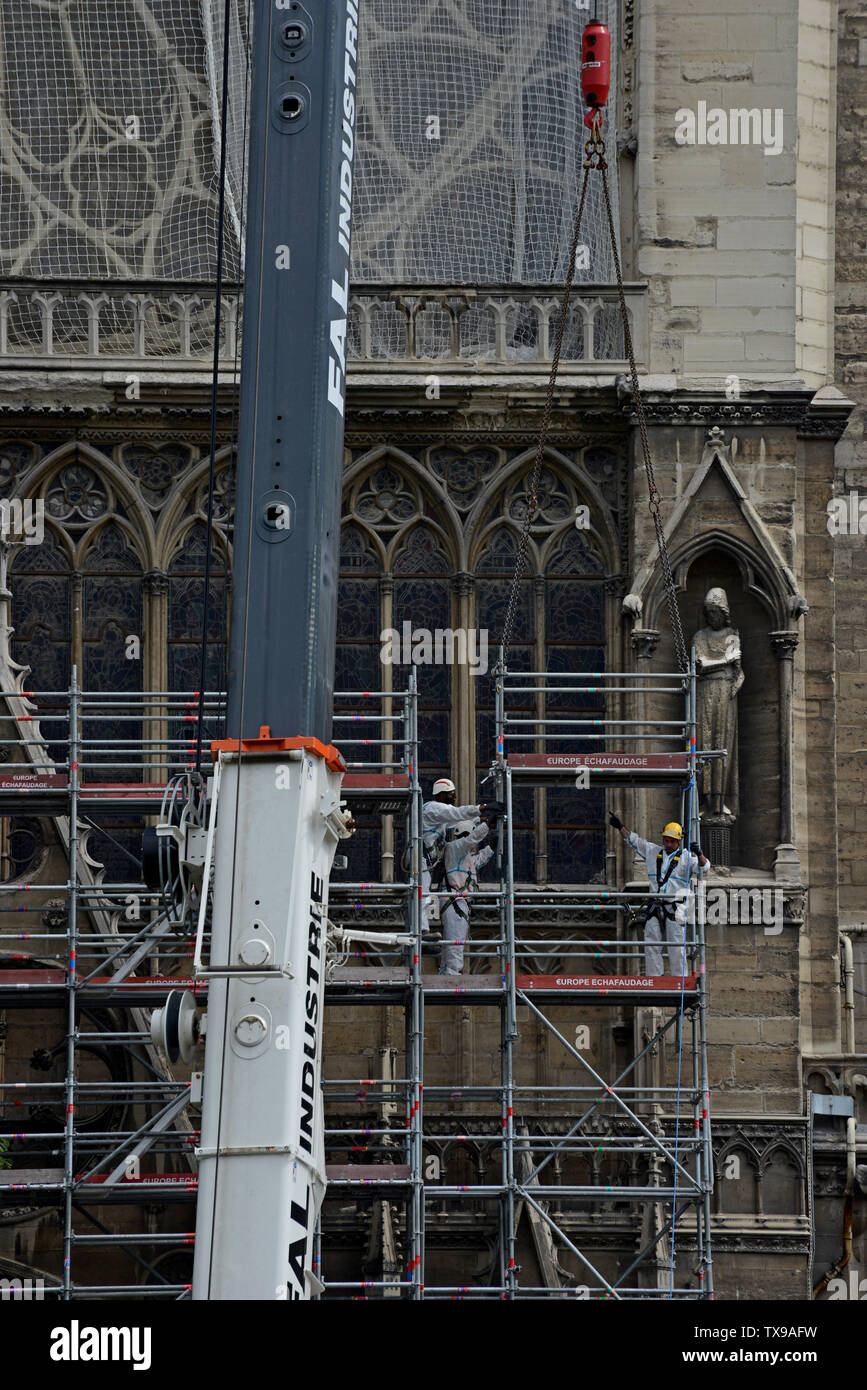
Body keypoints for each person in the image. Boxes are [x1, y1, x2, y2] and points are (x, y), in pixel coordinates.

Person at [608, 813, 710, 978]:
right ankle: (654, 978)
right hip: (656, 905)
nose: (668, 844)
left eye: (672, 841)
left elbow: (704, 868)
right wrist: (621, 827)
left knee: (676, 946)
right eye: (666, 840)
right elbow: (635, 841)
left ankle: (680, 980)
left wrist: (699, 854)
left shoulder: (686, 859)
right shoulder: (653, 852)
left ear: (678, 841)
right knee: (651, 943)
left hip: (675, 907)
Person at [420, 779, 499, 929]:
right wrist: (483, 808)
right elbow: (457, 815)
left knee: (423, 894)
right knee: (422, 894)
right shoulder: (432, 808)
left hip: (428, 862)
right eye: (452, 794)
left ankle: (422, 930)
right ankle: (420, 931)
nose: (454, 798)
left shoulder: (440, 817)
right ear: (442, 794)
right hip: (421, 858)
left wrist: (481, 820)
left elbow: (458, 821)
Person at [438, 813, 499, 975]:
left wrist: (492, 847)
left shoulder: (464, 857)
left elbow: (479, 860)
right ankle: (452, 973)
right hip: (454, 901)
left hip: (458, 902)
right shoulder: (454, 848)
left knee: (453, 939)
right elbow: (472, 839)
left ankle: (447, 970)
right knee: (455, 940)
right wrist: (487, 824)